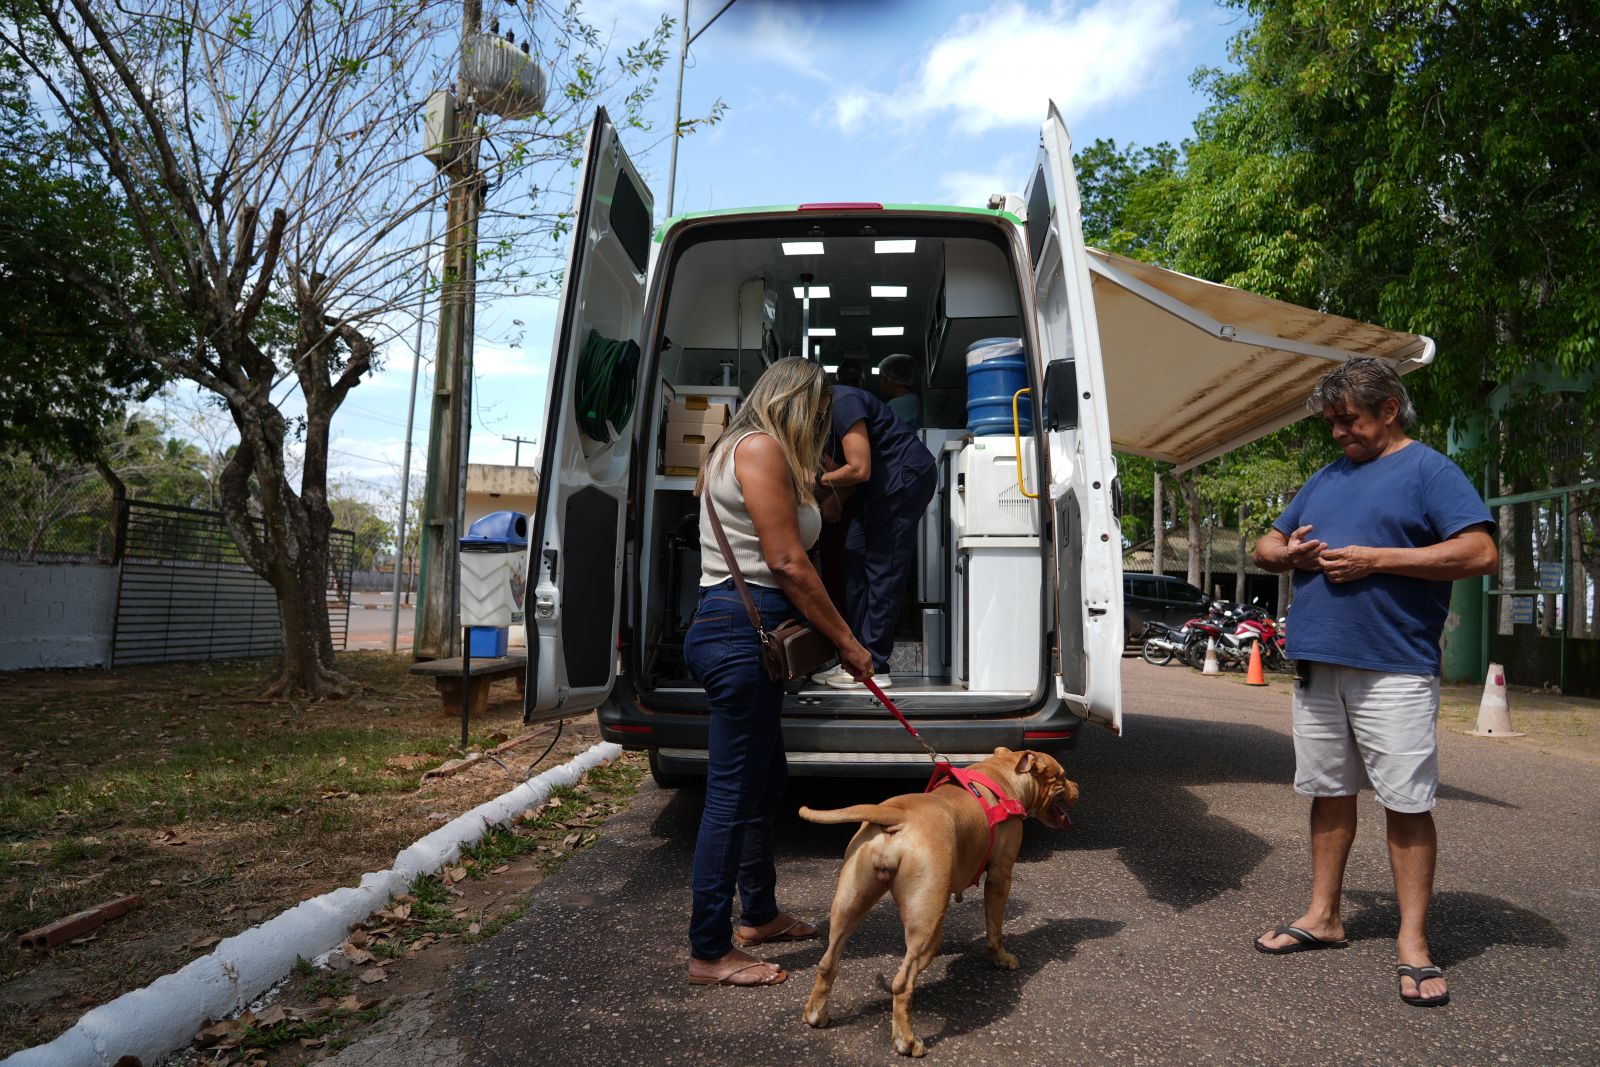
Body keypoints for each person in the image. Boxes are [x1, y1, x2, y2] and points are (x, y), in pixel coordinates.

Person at [1251, 357, 1498, 1009]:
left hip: (1394, 663)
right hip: (1318, 657)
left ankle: (1413, 943)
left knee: (1407, 799)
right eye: (1332, 421)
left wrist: (1376, 558)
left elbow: (1479, 552)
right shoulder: (1327, 476)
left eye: (1348, 419)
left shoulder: (1430, 470)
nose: (1337, 433)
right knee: (1327, 790)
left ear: (1389, 408)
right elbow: (1263, 545)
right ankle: (1323, 915)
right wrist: (1290, 555)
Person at [683, 357, 874, 988]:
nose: (825, 421)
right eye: (821, 408)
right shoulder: (759, 447)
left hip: (735, 625)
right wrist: (847, 640)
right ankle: (709, 950)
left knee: (766, 783)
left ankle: (758, 914)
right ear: (800, 401)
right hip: (745, 628)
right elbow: (788, 561)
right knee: (732, 796)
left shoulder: (732, 450)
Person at [811, 380, 937, 690]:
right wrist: (830, 496)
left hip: (902, 479)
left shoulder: (843, 402)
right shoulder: (823, 419)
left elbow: (858, 468)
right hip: (876, 488)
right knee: (852, 561)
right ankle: (854, 659)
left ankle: (874, 667)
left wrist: (817, 480)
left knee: (884, 569)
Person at [877, 353, 922, 429]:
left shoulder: (900, 404)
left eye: (882, 377)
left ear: (890, 379)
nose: (880, 383)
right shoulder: (912, 399)